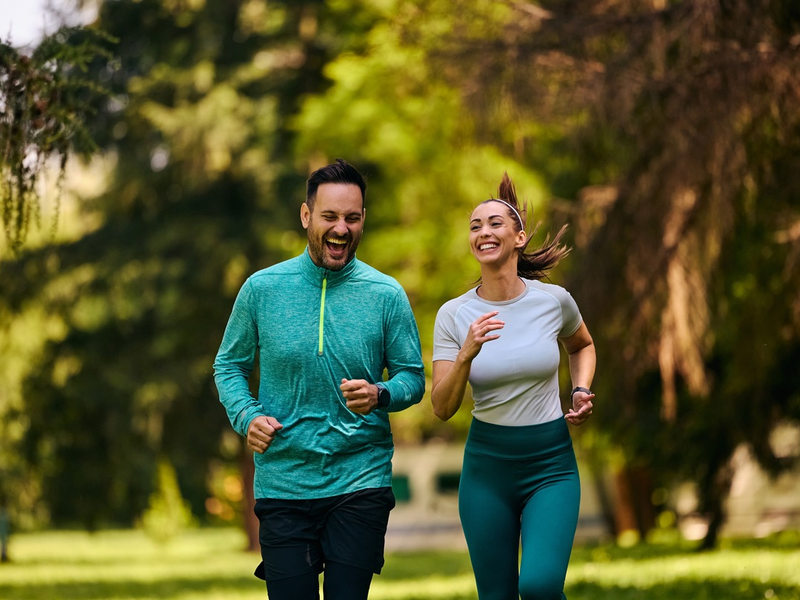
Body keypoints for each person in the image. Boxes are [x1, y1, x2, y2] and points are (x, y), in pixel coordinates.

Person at [213, 159, 426, 600]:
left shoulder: (386, 294)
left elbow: (412, 377)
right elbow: (229, 365)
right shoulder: (262, 289)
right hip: (284, 480)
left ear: (363, 219)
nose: (341, 229)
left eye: (352, 218)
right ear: (306, 215)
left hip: (360, 478)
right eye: (330, 216)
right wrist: (246, 416)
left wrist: (381, 393)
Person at [431, 172, 596, 600]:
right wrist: (465, 355)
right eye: (475, 226)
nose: (483, 231)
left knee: (539, 587)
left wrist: (579, 390)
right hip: (487, 471)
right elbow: (442, 407)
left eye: (494, 223)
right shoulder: (453, 315)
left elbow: (582, 345)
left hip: (550, 465)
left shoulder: (553, 301)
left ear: (519, 238)